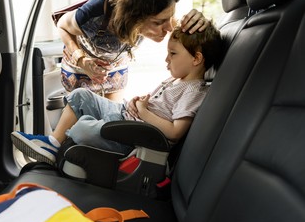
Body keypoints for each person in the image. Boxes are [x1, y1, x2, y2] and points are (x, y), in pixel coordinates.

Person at [11, 23, 223, 165]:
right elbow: (161, 104)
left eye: (173, 54)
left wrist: (142, 110)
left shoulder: (195, 90)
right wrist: (140, 102)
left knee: (84, 126)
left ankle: (57, 151)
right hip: (126, 115)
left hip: (134, 137)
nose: (167, 60)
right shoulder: (177, 79)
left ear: (196, 59)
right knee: (80, 95)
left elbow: (175, 132)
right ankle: (53, 145)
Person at [57, 0, 210, 102]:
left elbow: (187, 31)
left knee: (108, 121)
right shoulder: (95, 12)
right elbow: (62, 26)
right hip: (81, 66)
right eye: (158, 23)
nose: (169, 28)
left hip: (116, 68)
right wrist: (81, 60)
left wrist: (200, 21)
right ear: (133, 17)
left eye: (170, 18)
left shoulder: (162, 17)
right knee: (79, 116)